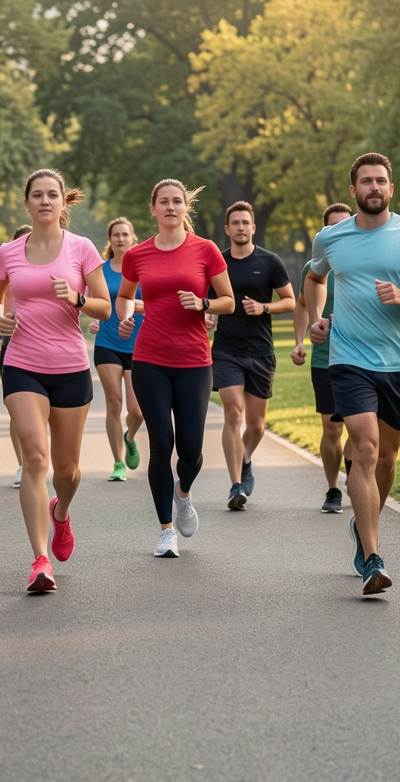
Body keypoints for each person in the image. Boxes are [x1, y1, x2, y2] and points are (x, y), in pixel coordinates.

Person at [305, 153, 400, 596]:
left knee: (386, 459)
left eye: (380, 181)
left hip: (399, 364)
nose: (373, 187)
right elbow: (314, 278)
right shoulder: (330, 238)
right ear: (353, 191)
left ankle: (362, 524)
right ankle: (372, 558)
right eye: (365, 181)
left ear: (391, 188)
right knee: (364, 449)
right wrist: (316, 318)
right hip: (347, 360)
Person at [0, 169, 111, 592]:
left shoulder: (82, 249)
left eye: (52, 195)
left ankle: (61, 514)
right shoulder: (8, 252)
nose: (44, 201)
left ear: (63, 203)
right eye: (37, 195)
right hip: (22, 364)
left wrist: (75, 297)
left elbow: (104, 308)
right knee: (35, 459)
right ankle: (40, 561)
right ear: (27, 203)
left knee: (68, 471)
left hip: (71, 367)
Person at [117, 180, 234, 557]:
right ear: (153, 209)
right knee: (161, 444)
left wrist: (203, 304)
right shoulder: (138, 255)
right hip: (149, 359)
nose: (170, 207)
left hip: (195, 362)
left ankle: (183, 494)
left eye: (177, 202)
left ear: (186, 208)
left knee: (191, 450)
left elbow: (228, 302)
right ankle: (166, 529)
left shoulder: (206, 250)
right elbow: (123, 295)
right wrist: (124, 317)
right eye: (163, 202)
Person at [208, 202, 295, 511]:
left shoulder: (270, 262)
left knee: (256, 426)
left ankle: (244, 460)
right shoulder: (217, 262)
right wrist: (208, 315)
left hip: (260, 350)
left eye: (246, 222)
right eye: (236, 223)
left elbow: (290, 301)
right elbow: (209, 300)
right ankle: (235, 485)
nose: (241, 227)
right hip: (226, 349)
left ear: (253, 228)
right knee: (233, 412)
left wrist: (264, 308)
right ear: (228, 229)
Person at [291, 203, 353, 513]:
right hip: (325, 360)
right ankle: (333, 489)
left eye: (346, 225)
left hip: (360, 357)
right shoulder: (313, 269)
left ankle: (356, 477)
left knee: (359, 426)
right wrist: (300, 341)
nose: (339, 232)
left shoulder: (363, 264)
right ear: (324, 233)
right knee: (332, 429)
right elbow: (302, 305)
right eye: (332, 228)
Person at [88, 217, 145, 481]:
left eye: (125, 234)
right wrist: (93, 321)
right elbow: (93, 301)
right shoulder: (101, 269)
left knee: (136, 411)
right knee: (114, 403)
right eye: (116, 235)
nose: (120, 239)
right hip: (108, 342)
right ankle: (118, 462)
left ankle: (130, 436)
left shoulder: (144, 266)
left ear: (132, 237)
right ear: (110, 240)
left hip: (138, 344)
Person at [0, 224, 32, 488]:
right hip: (11, 343)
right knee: (18, 411)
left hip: (44, 345)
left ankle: (36, 458)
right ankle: (22, 465)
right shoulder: (8, 269)